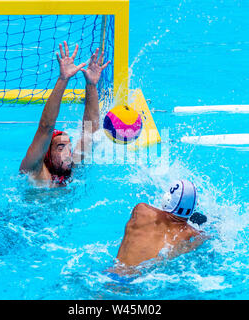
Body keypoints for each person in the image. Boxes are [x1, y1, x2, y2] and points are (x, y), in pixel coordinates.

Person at [19, 41, 110, 186]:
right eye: (60, 148)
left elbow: (90, 131)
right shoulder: (34, 171)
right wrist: (63, 79)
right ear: (46, 154)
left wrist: (91, 85)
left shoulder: (72, 171)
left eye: (68, 147)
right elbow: (45, 127)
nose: (68, 153)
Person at [106, 180, 208, 283]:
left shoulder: (141, 210)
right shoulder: (193, 235)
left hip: (109, 275)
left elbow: (162, 217)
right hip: (137, 282)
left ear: (167, 198)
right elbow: (212, 234)